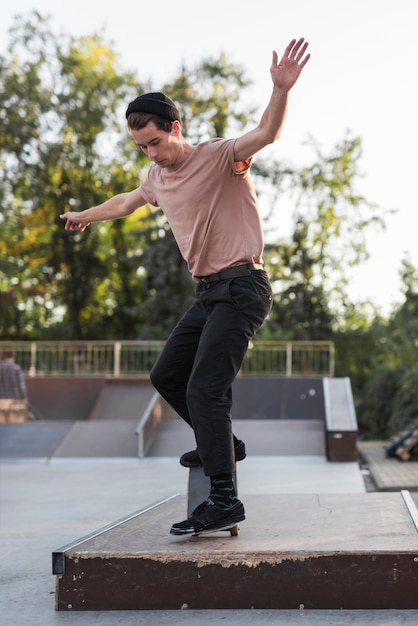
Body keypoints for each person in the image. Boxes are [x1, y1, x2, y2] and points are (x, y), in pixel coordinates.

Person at [60, 37, 310, 535]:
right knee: (167, 375)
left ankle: (224, 499)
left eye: (156, 142)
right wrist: (85, 216)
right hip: (208, 295)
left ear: (175, 128)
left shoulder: (220, 157)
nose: (152, 154)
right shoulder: (156, 177)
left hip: (242, 288)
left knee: (206, 387)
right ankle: (224, 444)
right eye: (142, 148)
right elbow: (127, 201)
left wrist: (280, 89)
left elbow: (266, 132)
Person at [0, 350, 28, 421]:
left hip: (1, 398)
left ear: (5, 356)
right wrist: (24, 397)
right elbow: (21, 384)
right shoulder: (17, 368)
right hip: (14, 398)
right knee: (13, 421)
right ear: (13, 356)